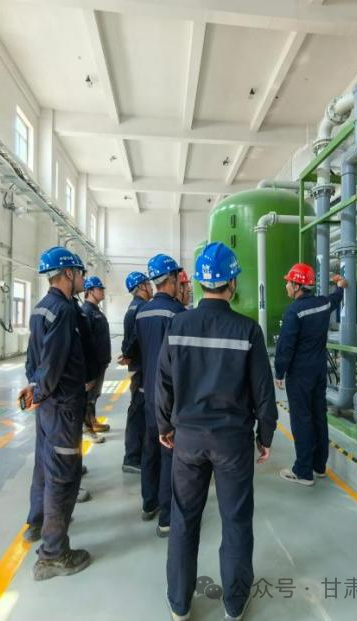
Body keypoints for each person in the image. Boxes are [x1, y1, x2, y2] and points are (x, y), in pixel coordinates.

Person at [157, 242, 277, 621]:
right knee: (236, 520)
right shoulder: (247, 330)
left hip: (188, 440)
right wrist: (265, 436)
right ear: (233, 283)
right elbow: (263, 391)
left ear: (197, 283)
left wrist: (164, 425)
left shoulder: (178, 325)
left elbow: (163, 383)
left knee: (183, 519)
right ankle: (234, 604)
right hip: (232, 442)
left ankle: (179, 604)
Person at [17, 246, 92, 580]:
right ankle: (53, 554)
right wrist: (41, 389)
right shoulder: (62, 310)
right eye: (80, 273)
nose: (83, 279)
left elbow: (33, 357)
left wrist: (34, 387)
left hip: (49, 406)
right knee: (63, 474)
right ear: (68, 274)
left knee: (44, 466)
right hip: (62, 406)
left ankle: (38, 522)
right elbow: (54, 361)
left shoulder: (41, 308)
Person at [127, 253, 185, 538]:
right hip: (171, 394)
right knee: (169, 452)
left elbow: (133, 350)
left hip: (147, 390)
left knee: (150, 446)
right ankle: (167, 517)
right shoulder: (178, 314)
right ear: (171, 279)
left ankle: (148, 503)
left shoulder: (142, 312)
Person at [274, 263, 346, 486]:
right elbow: (336, 298)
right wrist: (341, 286)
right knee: (318, 416)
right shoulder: (323, 303)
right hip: (318, 371)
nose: (286, 286)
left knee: (302, 419)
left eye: (288, 282)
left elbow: (286, 346)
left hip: (300, 374)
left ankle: (303, 472)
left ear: (297, 286)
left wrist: (279, 372)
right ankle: (319, 466)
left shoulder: (294, 311)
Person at [118, 271, 153, 473]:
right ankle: (132, 458)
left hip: (137, 366)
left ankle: (135, 454)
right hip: (140, 368)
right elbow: (135, 338)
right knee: (137, 411)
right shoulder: (141, 308)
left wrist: (127, 353)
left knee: (137, 409)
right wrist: (128, 354)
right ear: (140, 287)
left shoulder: (134, 307)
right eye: (148, 284)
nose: (151, 287)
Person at [81, 276, 112, 444]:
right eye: (99, 289)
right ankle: (87, 429)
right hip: (93, 363)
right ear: (90, 291)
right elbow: (86, 343)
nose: (102, 291)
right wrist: (88, 370)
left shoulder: (95, 310)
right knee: (88, 397)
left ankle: (92, 421)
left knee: (94, 396)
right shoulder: (86, 311)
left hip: (101, 362)